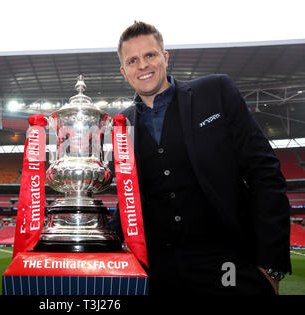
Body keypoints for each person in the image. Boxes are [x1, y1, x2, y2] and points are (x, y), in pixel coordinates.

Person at [109, 21, 291, 295]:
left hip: (229, 265)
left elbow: (264, 172)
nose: (143, 65)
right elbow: (127, 202)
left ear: (165, 57)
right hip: (159, 274)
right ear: (124, 72)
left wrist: (271, 266)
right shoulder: (120, 125)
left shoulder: (216, 91)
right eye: (133, 60)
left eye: (150, 55)